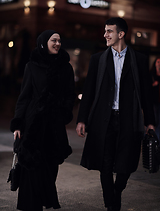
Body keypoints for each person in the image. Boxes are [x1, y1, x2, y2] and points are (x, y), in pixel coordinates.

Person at [76, 17, 155, 211]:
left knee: (125, 165)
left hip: (129, 120)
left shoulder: (139, 60)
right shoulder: (97, 60)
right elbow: (89, 92)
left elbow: (146, 93)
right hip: (104, 120)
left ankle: (117, 190)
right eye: (105, 31)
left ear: (121, 34)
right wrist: (81, 119)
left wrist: (150, 121)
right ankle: (111, 205)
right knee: (105, 163)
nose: (105, 35)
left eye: (109, 31)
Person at [10, 30, 75, 211]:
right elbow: (24, 97)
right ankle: (32, 205)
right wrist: (18, 123)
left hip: (54, 126)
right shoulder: (32, 66)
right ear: (44, 42)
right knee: (32, 167)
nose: (57, 44)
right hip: (33, 125)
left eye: (59, 41)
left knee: (50, 167)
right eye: (54, 40)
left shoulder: (66, 67)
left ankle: (44, 198)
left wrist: (64, 113)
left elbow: (70, 95)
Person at [150, 57, 160, 141]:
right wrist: (153, 85)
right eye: (158, 62)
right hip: (154, 101)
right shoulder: (151, 74)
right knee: (155, 121)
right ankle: (154, 139)